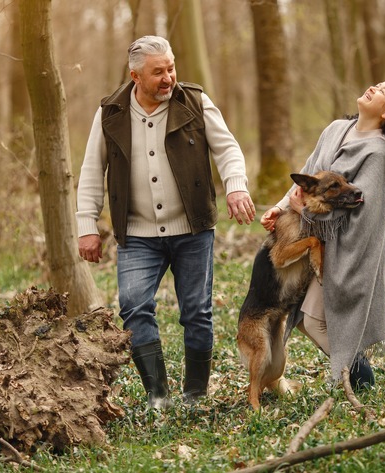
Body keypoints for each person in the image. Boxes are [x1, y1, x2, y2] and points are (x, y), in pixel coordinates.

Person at [76, 36, 256, 408]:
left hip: (193, 228)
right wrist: (87, 225)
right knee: (133, 306)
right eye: (158, 71)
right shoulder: (110, 112)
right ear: (135, 76)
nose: (168, 77)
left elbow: (229, 150)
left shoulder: (195, 101)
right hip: (137, 234)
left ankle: (194, 394)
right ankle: (158, 397)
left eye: (171, 68)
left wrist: (236, 188)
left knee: (196, 312)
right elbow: (92, 170)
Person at [261, 80, 385, 391]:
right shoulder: (336, 129)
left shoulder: (376, 152)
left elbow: (360, 210)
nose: (373, 88)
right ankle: (358, 381)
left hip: (345, 251)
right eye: (377, 84)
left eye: (383, 92)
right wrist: (280, 206)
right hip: (314, 243)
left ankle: (362, 384)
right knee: (306, 319)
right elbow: (309, 173)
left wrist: (305, 213)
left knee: (313, 320)